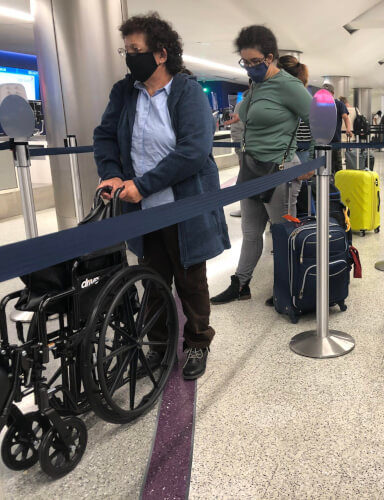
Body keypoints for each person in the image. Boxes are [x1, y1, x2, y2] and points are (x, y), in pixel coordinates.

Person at [93, 13, 230, 380]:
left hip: (183, 205)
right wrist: (111, 173)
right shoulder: (125, 92)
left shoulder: (187, 93)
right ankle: (159, 346)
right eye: (126, 50)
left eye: (135, 50)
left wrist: (144, 184)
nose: (129, 57)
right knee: (152, 280)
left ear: (160, 53)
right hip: (142, 208)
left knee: (190, 281)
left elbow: (193, 151)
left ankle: (198, 343)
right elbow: (105, 135)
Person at [210, 25, 312, 306]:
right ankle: (241, 284)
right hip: (252, 168)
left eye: (255, 61)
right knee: (251, 233)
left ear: (270, 57)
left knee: (282, 235)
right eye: (245, 62)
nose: (250, 67)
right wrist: (238, 117)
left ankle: (289, 287)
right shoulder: (256, 85)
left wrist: (312, 160)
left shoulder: (290, 87)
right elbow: (251, 111)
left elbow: (319, 120)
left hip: (280, 169)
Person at [276, 55, 314, 166]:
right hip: (272, 160)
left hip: (284, 159)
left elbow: (319, 126)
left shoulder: (296, 93)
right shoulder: (278, 93)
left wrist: (311, 162)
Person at [322, 83, 352, 172]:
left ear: (333, 93)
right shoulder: (320, 104)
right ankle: (326, 184)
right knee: (324, 166)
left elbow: (346, 118)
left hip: (334, 140)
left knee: (336, 166)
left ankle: (337, 184)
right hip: (322, 141)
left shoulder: (339, 104)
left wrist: (348, 129)